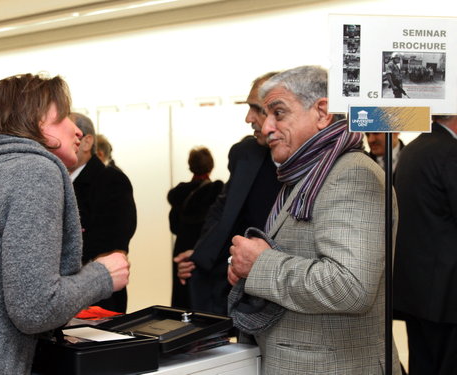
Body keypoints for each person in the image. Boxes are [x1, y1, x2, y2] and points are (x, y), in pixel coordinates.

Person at [227, 66, 402, 374]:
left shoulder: (352, 175)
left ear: (322, 112)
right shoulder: (308, 175)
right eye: (266, 114)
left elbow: (351, 287)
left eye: (278, 113)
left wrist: (260, 265)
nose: (266, 127)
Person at [0, 73, 130, 374]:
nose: (76, 131)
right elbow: (35, 308)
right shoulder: (33, 172)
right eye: (65, 118)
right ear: (36, 122)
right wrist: (102, 276)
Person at [174, 72, 282, 316]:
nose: (248, 118)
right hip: (235, 291)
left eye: (256, 109)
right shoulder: (245, 154)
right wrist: (200, 255)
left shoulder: (319, 167)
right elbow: (223, 213)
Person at [393, 115, 457, 375]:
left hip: (418, 292)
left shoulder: (415, 148)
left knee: (423, 364)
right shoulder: (450, 152)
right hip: (447, 295)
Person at [69, 112, 137, 313]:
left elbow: (112, 240)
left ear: (87, 142)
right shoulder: (58, 181)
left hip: (98, 295)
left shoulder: (112, 181)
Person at [167, 147, 223, 309]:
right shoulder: (217, 193)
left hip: (182, 246)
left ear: (190, 166)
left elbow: (174, 226)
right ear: (211, 166)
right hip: (206, 248)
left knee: (181, 297)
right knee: (204, 299)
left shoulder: (180, 193)